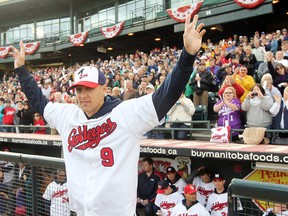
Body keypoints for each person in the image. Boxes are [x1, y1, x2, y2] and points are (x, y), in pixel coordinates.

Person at [9, 14, 206, 216]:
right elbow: (38, 101)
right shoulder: (68, 116)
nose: (83, 95)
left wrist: (187, 56)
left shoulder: (125, 114)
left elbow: (166, 96)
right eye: (79, 90)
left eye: (89, 89)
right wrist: (21, 70)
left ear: (104, 89)